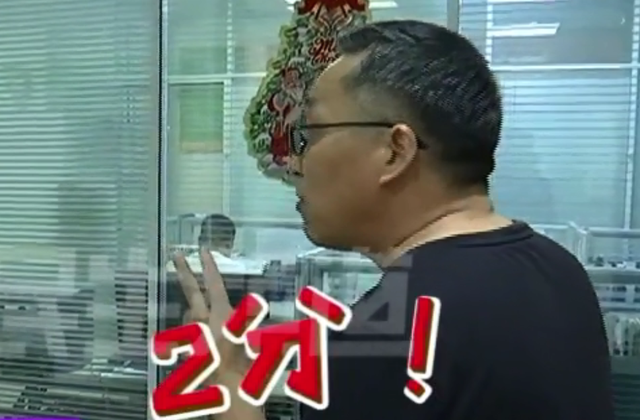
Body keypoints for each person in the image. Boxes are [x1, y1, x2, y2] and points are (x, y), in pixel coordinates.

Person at [173, 20, 614, 420]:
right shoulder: (560, 272)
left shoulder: (387, 337)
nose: (294, 162)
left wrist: (229, 384)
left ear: (395, 151)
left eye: (310, 133)